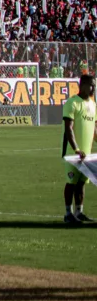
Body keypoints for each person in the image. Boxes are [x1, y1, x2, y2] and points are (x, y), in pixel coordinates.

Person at [62, 73, 96, 224]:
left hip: (86, 153)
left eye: (94, 85)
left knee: (82, 183)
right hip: (73, 153)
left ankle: (79, 212)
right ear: (82, 85)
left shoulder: (93, 104)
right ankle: (68, 213)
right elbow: (68, 128)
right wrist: (75, 148)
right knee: (71, 182)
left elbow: (94, 129)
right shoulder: (72, 103)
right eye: (91, 85)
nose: (93, 88)